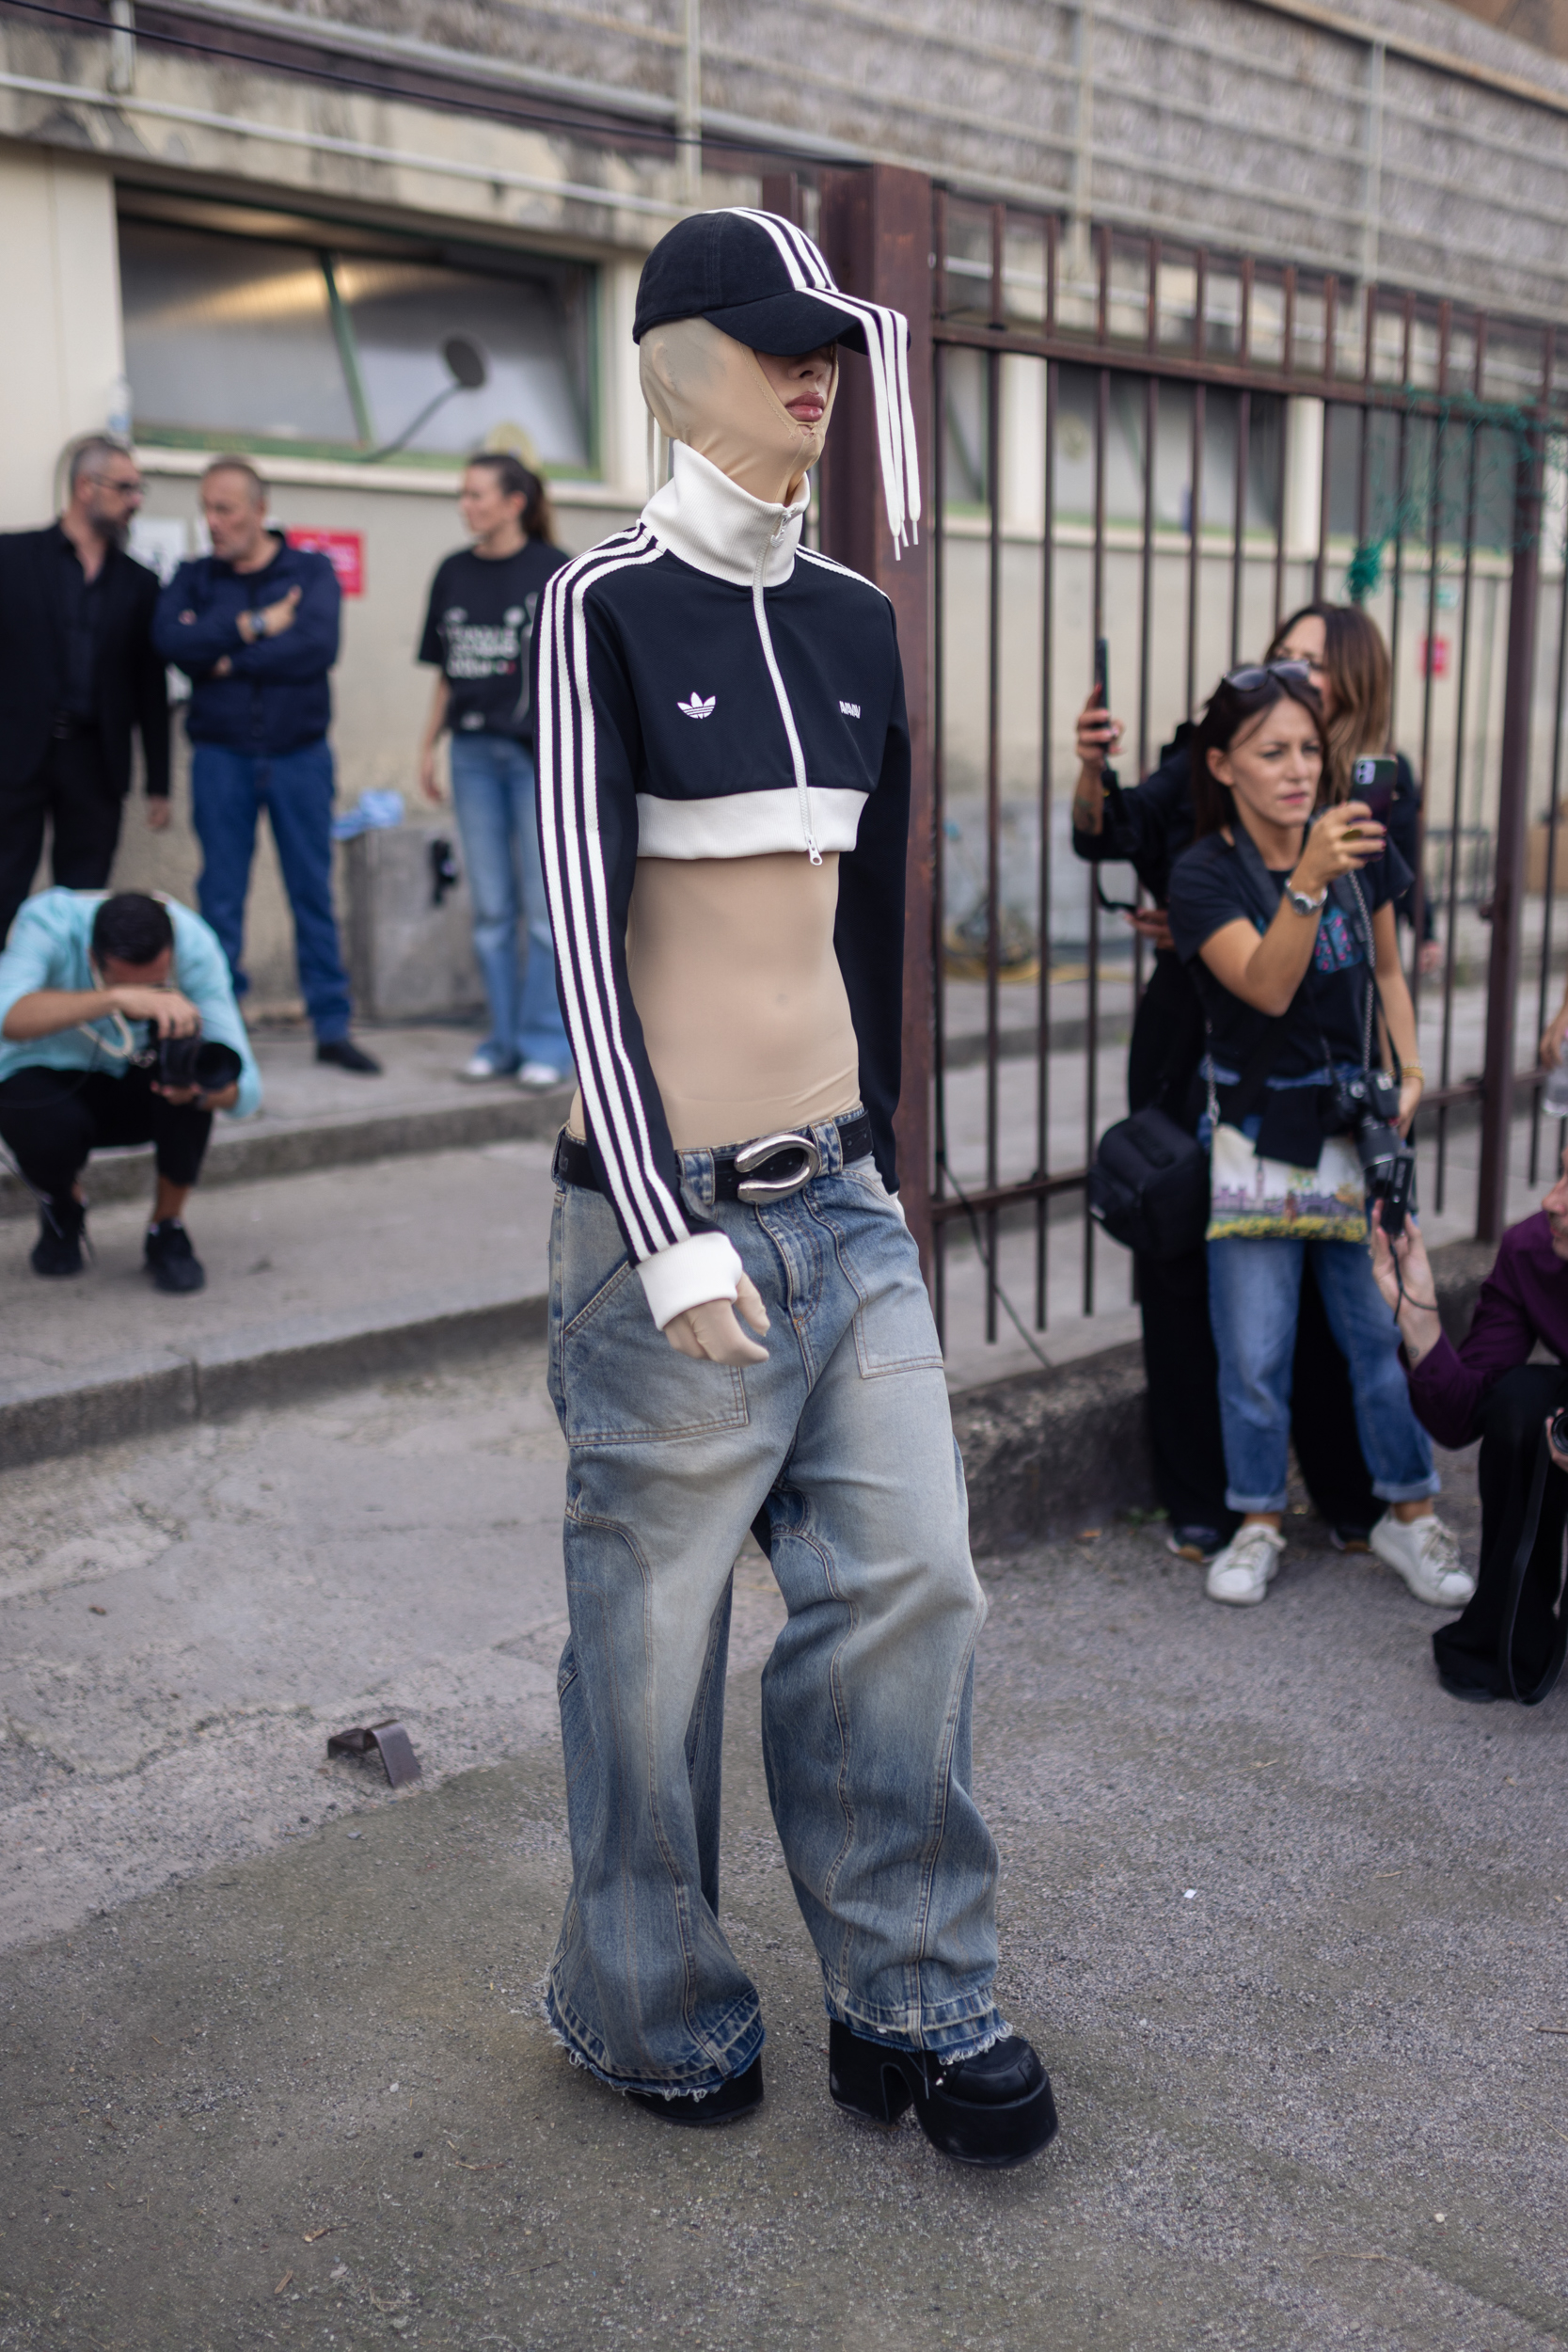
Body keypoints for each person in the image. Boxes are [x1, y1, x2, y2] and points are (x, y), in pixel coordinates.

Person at [531, 207, 1056, 2168]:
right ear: (672, 359)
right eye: (767, 342)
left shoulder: (854, 623)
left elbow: (877, 923)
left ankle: (907, 1989)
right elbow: (580, 937)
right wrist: (660, 1226)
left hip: (838, 1200)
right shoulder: (597, 606)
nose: (810, 372)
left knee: (913, 1577)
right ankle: (644, 2001)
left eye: (823, 343)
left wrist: (887, 1172)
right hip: (654, 1214)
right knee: (647, 1641)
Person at [1164, 662, 1469, 1609]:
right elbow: (1261, 985)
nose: (1298, 770)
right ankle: (1256, 1518)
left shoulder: (1358, 848)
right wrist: (1301, 882)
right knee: (1253, 1351)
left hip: (1352, 1125)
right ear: (1221, 764)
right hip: (1258, 1135)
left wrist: (1409, 1072)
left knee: (1379, 1335)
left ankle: (1409, 1515)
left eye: (1307, 748)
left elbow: (1384, 968)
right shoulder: (1202, 873)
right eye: (1271, 753)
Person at [1071, 680, 1380, 1561]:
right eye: (1289, 663)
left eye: (1316, 706)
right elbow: (1102, 831)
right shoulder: (1198, 784)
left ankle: (1346, 1495)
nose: (1295, 745)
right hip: (1194, 1051)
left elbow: (1384, 940)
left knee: (1325, 1305)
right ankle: (1208, 1502)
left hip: (1311, 1072)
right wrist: (1090, 767)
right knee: (1185, 1272)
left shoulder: (1355, 799)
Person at [152, 458, 380, 1075]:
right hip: (220, 756)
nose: (213, 522)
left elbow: (315, 647)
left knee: (312, 891)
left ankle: (331, 1027)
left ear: (259, 509)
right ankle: (221, 1033)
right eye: (207, 509)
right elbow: (171, 642)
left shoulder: (310, 571)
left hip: (298, 757)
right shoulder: (193, 576)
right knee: (219, 898)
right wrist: (254, 625)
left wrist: (224, 656)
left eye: (225, 509)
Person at [1370, 1171, 1568, 1705]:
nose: (1552, 1200)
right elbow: (1463, 1416)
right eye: (1564, 1171)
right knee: (1520, 1407)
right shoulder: (1532, 1248)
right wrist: (1416, 1314)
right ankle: (1510, 1634)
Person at [0, 888, 260, 1292]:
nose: (146, 998)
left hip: (142, 1085)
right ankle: (63, 1205)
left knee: (191, 1077)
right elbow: (6, 1014)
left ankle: (167, 1227)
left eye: (156, 984)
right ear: (92, 957)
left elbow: (245, 1090)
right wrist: (114, 998)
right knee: (29, 1111)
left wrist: (199, 1092)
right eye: (131, 983)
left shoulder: (193, 941)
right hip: (52, 1082)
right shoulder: (50, 921)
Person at [416, 454, 573, 1088]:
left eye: (477, 495)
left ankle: (546, 1042)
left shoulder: (556, 570)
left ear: (513, 502)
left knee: (541, 912)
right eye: (462, 494)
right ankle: (501, 1040)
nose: (466, 505)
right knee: (489, 911)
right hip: (471, 756)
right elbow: (443, 676)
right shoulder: (452, 572)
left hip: (536, 757)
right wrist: (426, 747)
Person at [0, 438, 170, 946]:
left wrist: (158, 783)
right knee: (4, 887)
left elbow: (150, 685)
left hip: (95, 760)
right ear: (84, 487)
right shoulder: (11, 558)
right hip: (15, 754)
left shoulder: (140, 584)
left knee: (84, 901)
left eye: (139, 488)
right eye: (125, 488)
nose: (136, 499)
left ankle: (70, 1011)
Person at [1267, 602, 1439, 975]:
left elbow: (1399, 872)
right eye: (1281, 657)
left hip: (1346, 980)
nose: (1289, 672)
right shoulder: (1238, 757)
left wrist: (1427, 931)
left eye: (1312, 664)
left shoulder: (1383, 777)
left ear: (1352, 684)